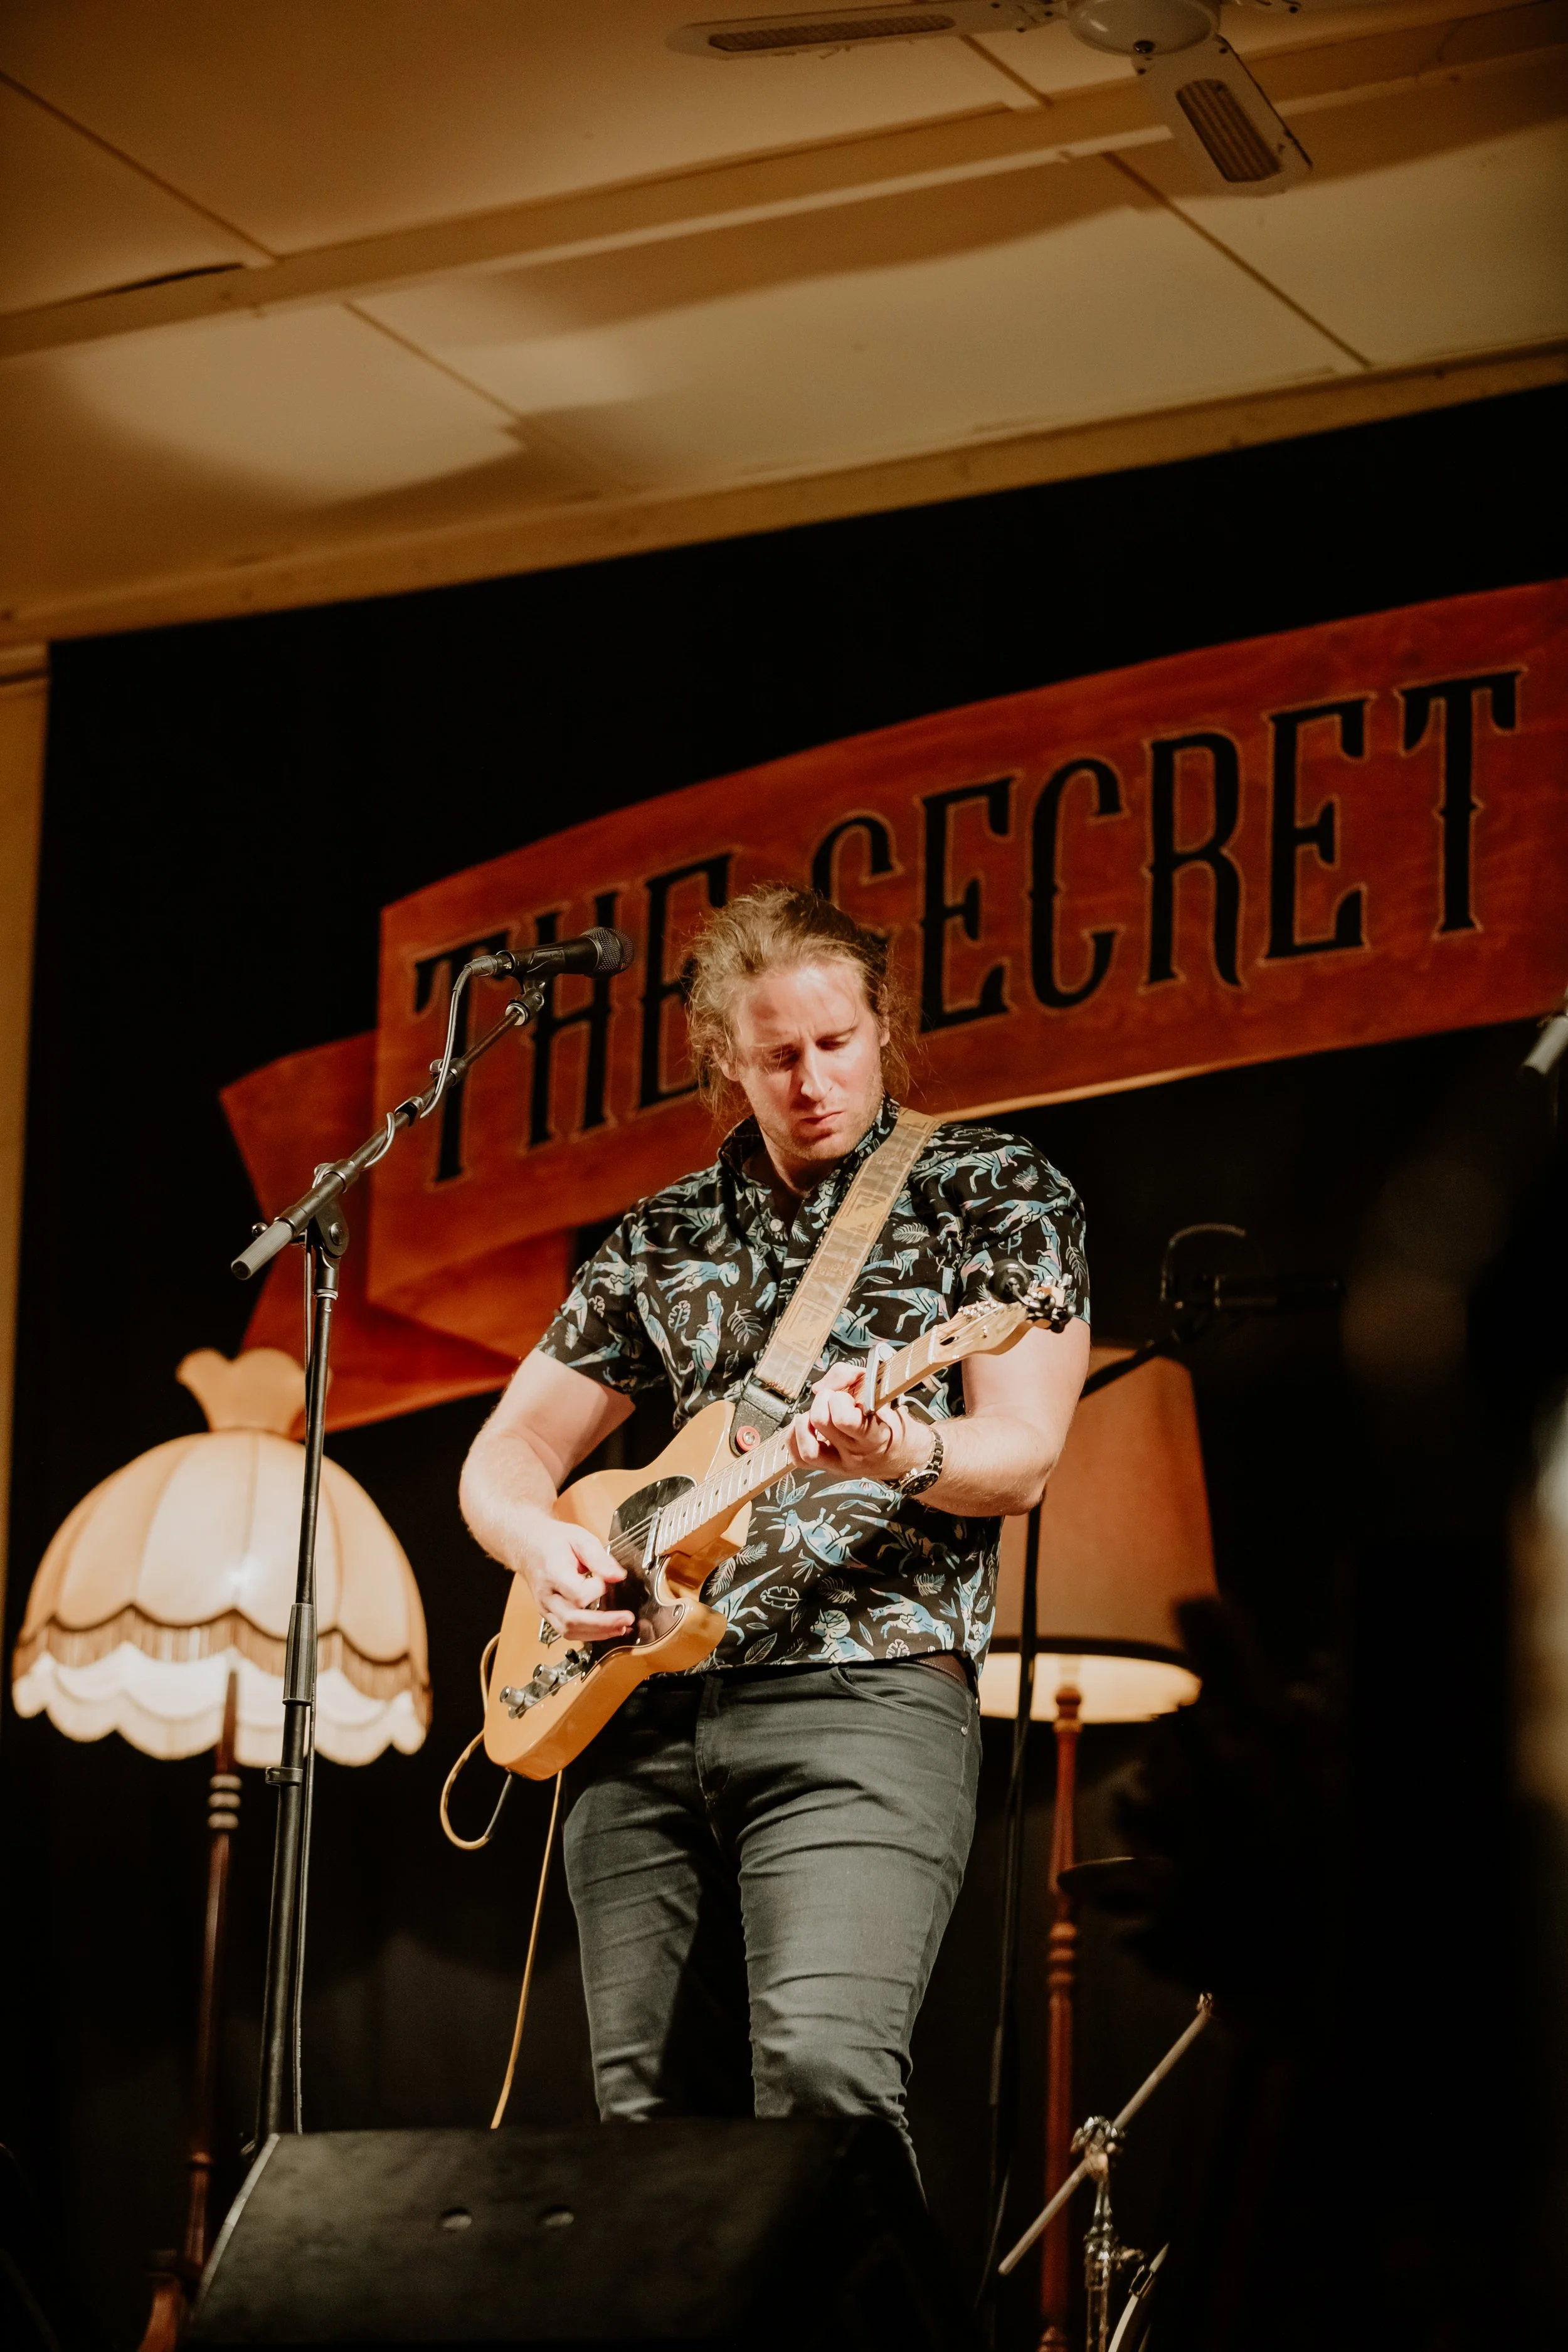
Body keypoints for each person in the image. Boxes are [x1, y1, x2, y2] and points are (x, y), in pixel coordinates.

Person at [458, 883, 1089, 2159]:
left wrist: (897, 1444)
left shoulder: (993, 1190)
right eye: (777, 1054)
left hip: (864, 1694)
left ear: (882, 1026)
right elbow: (508, 1450)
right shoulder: (661, 1235)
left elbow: (1019, 1456)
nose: (811, 1080)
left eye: (837, 1044)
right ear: (722, 1060)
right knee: (645, 2130)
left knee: (822, 2083)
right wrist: (542, 1543)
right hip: (634, 1712)